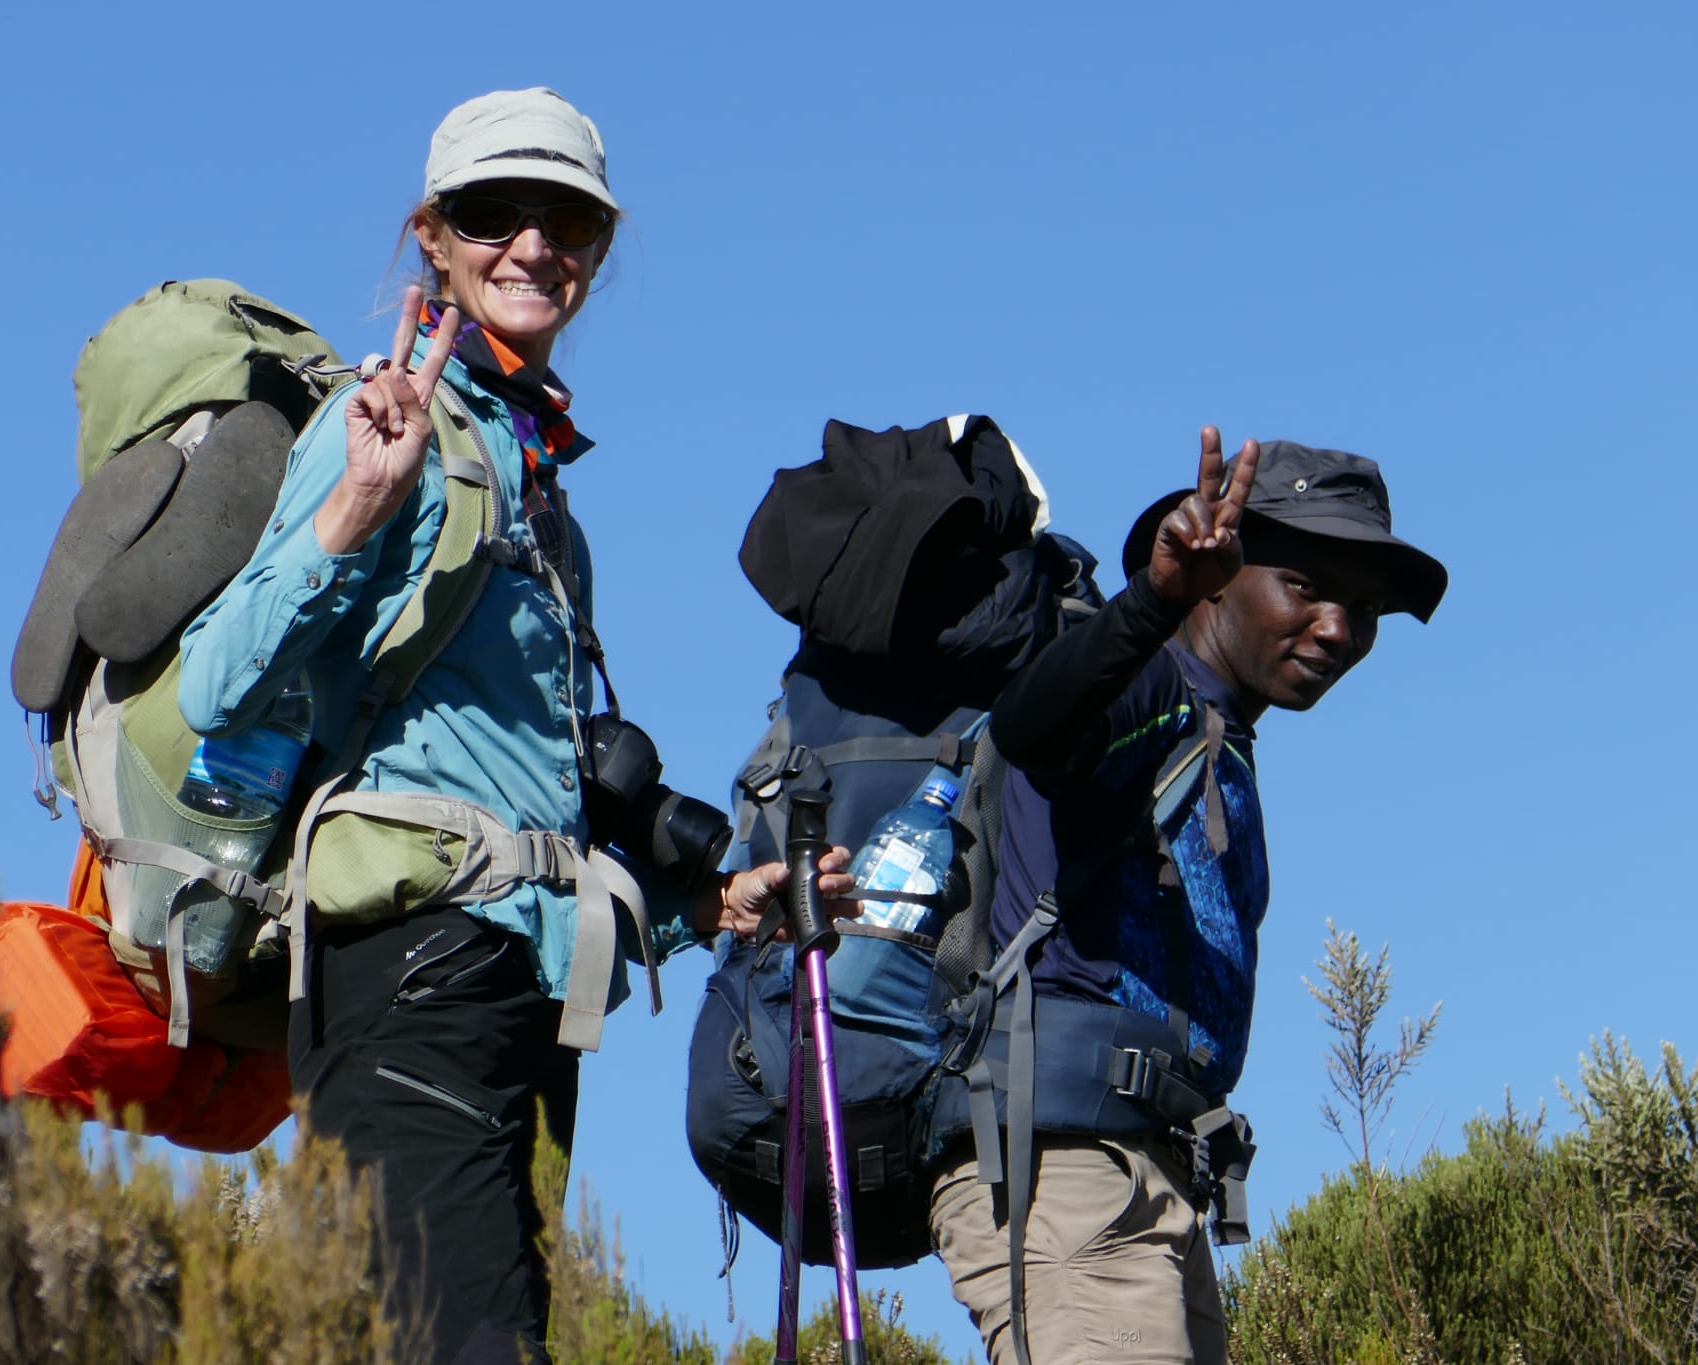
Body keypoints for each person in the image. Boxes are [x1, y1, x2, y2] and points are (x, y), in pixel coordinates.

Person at [177, 88, 851, 1365]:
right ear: (432, 236)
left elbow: (513, 801)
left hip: (518, 996)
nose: (534, 245)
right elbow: (217, 683)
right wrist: (352, 507)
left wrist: (704, 906)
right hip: (410, 976)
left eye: (569, 220)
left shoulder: (528, 469)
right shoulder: (388, 426)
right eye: (494, 213)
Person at [927, 429, 1448, 1364]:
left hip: (1146, 1177)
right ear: (1217, 578)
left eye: (1364, 609)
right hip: (1070, 1171)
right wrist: (1152, 602)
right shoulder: (1148, 686)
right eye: (1306, 586)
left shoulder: (1216, 730)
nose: (1339, 628)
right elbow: (1033, 726)